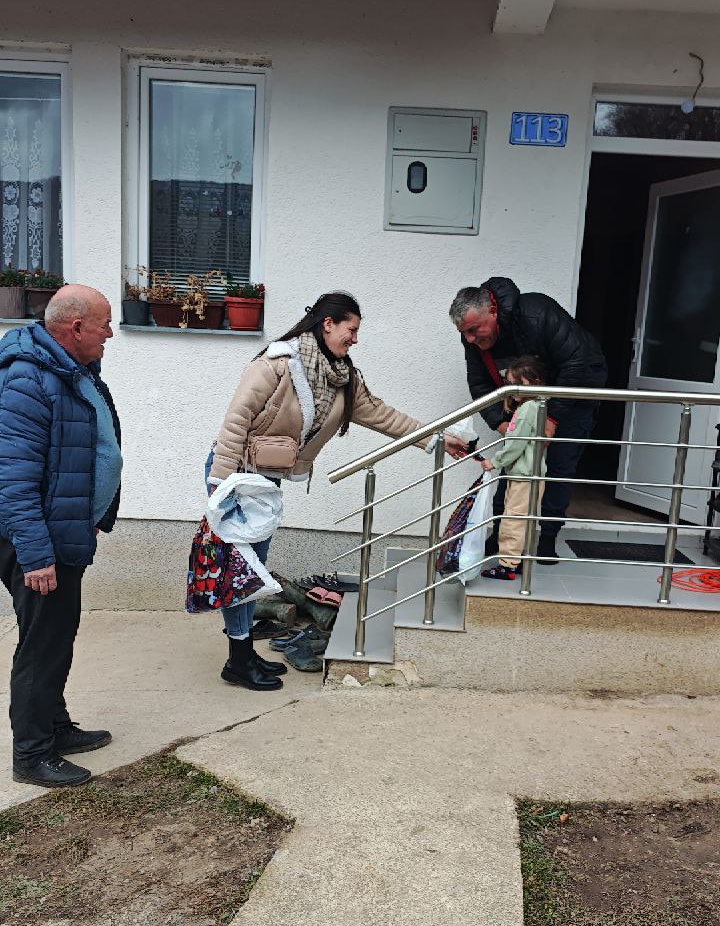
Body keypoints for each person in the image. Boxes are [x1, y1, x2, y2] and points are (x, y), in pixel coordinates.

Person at [207, 291, 466, 691]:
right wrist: (221, 483)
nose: (355, 339)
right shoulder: (278, 364)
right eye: (352, 329)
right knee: (242, 569)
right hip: (236, 474)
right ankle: (238, 659)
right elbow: (235, 420)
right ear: (328, 324)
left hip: (264, 478)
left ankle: (241, 654)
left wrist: (436, 438)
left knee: (251, 568)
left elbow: (383, 415)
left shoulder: (341, 378)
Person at [0, 286, 121, 789]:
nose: (110, 333)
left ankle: (54, 726)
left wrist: (90, 513)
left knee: (57, 636)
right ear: (75, 328)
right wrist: (35, 556)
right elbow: (13, 478)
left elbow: (83, 450)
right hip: (36, 542)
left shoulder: (72, 370)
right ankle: (31, 754)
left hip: (62, 531)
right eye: (104, 323)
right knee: (41, 645)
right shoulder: (28, 380)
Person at [449, 277, 607, 562]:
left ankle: (547, 538)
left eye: (474, 330)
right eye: (464, 333)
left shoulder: (537, 312)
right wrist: (501, 423)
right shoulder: (471, 337)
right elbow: (480, 385)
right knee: (513, 466)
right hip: (524, 400)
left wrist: (552, 418)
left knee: (558, 467)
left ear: (493, 311)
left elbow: (578, 362)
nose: (470, 339)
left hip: (574, 397)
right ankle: (500, 536)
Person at [479, 357, 547, 582]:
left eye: (518, 383)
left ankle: (507, 566)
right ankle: (517, 561)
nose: (513, 388)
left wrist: (495, 462)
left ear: (535, 382)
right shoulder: (539, 405)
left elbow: (516, 443)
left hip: (523, 476)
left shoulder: (527, 409)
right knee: (524, 520)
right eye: (509, 383)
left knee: (512, 520)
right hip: (531, 474)